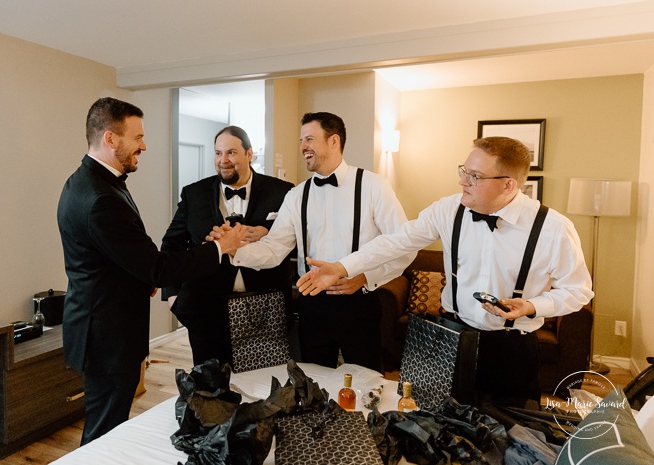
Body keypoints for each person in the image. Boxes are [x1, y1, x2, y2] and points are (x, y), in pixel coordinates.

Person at [296, 136, 594, 407]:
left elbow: (578, 290)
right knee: (438, 423)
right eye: (464, 171)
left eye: (475, 177)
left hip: (512, 350)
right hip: (450, 337)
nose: (463, 182)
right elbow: (396, 241)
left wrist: (532, 305)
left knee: (508, 434)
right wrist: (341, 266)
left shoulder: (553, 229)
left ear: (508, 185)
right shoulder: (448, 209)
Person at [57, 97, 245, 445]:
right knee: (104, 431)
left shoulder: (86, 181)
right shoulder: (101, 198)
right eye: (138, 137)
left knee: (108, 421)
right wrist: (222, 247)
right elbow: (159, 267)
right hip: (107, 335)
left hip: (101, 323)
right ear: (111, 139)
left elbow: (109, 255)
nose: (144, 145)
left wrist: (137, 277)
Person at [215, 112, 415, 372]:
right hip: (312, 306)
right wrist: (230, 250)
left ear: (334, 141)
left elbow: (404, 245)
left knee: (367, 383)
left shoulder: (374, 186)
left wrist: (365, 277)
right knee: (313, 384)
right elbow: (274, 249)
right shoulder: (297, 195)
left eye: (309, 139)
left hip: (360, 305)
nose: (302, 147)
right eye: (301, 140)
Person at [160, 125, 294, 366]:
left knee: (264, 389)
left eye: (231, 153)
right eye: (218, 153)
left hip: (265, 307)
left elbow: (295, 241)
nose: (223, 161)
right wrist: (172, 296)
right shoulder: (194, 193)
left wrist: (268, 230)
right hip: (206, 306)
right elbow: (171, 245)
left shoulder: (283, 192)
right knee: (210, 388)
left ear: (249, 154)